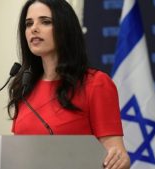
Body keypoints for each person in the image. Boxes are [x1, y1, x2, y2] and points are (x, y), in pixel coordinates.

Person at [7, 0, 130, 169]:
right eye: (29, 24)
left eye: (45, 22)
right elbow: (16, 153)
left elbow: (116, 156)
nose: (34, 28)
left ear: (65, 29)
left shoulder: (95, 84)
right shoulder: (24, 85)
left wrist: (119, 159)